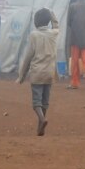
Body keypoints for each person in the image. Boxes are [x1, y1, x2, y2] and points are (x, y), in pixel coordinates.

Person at [18, 7, 59, 136]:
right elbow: (56, 25)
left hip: (37, 73)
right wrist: (52, 14)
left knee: (36, 102)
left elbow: (28, 56)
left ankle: (42, 119)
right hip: (50, 73)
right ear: (48, 21)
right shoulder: (53, 34)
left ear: (36, 21)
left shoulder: (34, 35)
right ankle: (40, 127)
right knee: (45, 101)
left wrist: (22, 75)